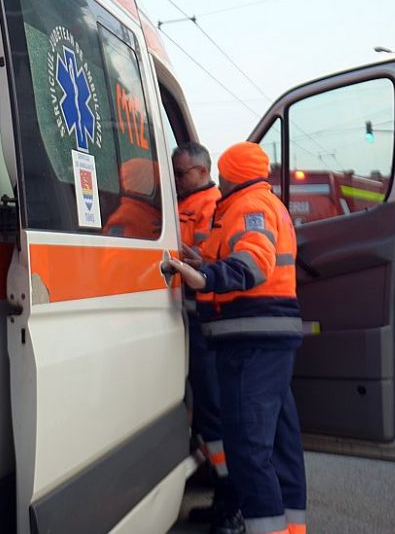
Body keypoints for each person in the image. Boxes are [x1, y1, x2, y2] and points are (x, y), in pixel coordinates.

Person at [168, 142, 306, 534]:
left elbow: (255, 260)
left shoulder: (249, 206)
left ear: (229, 173)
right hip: (263, 338)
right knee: (279, 448)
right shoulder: (258, 203)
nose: (220, 178)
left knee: (248, 451)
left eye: (223, 172)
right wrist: (205, 262)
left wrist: (206, 276)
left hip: (252, 341)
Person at [171, 142, 227, 522]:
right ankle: (224, 495)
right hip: (184, 322)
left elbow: (214, 261)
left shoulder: (214, 207)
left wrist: (191, 257)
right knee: (204, 414)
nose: (176, 180)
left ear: (203, 172)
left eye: (181, 174)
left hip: (205, 325)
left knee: (214, 413)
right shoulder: (180, 204)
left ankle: (230, 500)